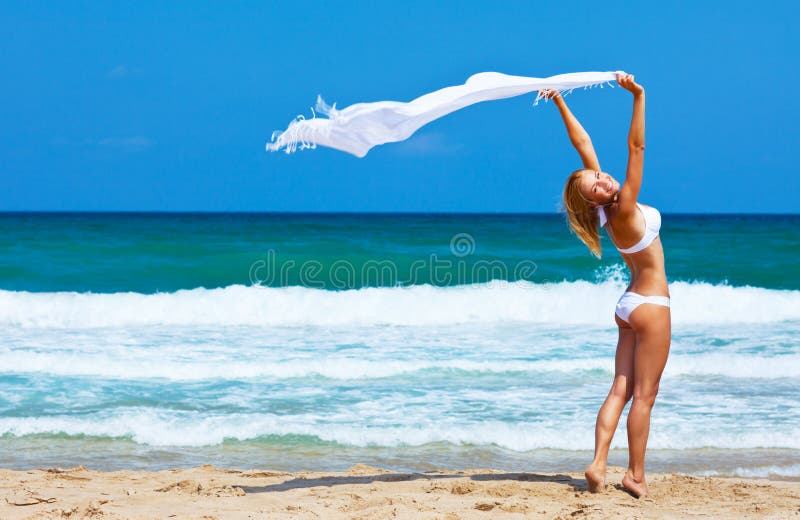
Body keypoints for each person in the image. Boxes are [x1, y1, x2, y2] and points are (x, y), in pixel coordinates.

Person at [542, 74, 670, 498]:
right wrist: (639, 96)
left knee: (621, 387)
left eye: (597, 176)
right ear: (594, 201)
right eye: (594, 186)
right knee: (644, 396)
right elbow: (637, 148)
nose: (602, 179)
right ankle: (634, 474)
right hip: (650, 304)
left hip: (628, 306)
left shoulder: (602, 214)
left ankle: (598, 464)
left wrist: (560, 101)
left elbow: (583, 146)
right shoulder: (625, 208)